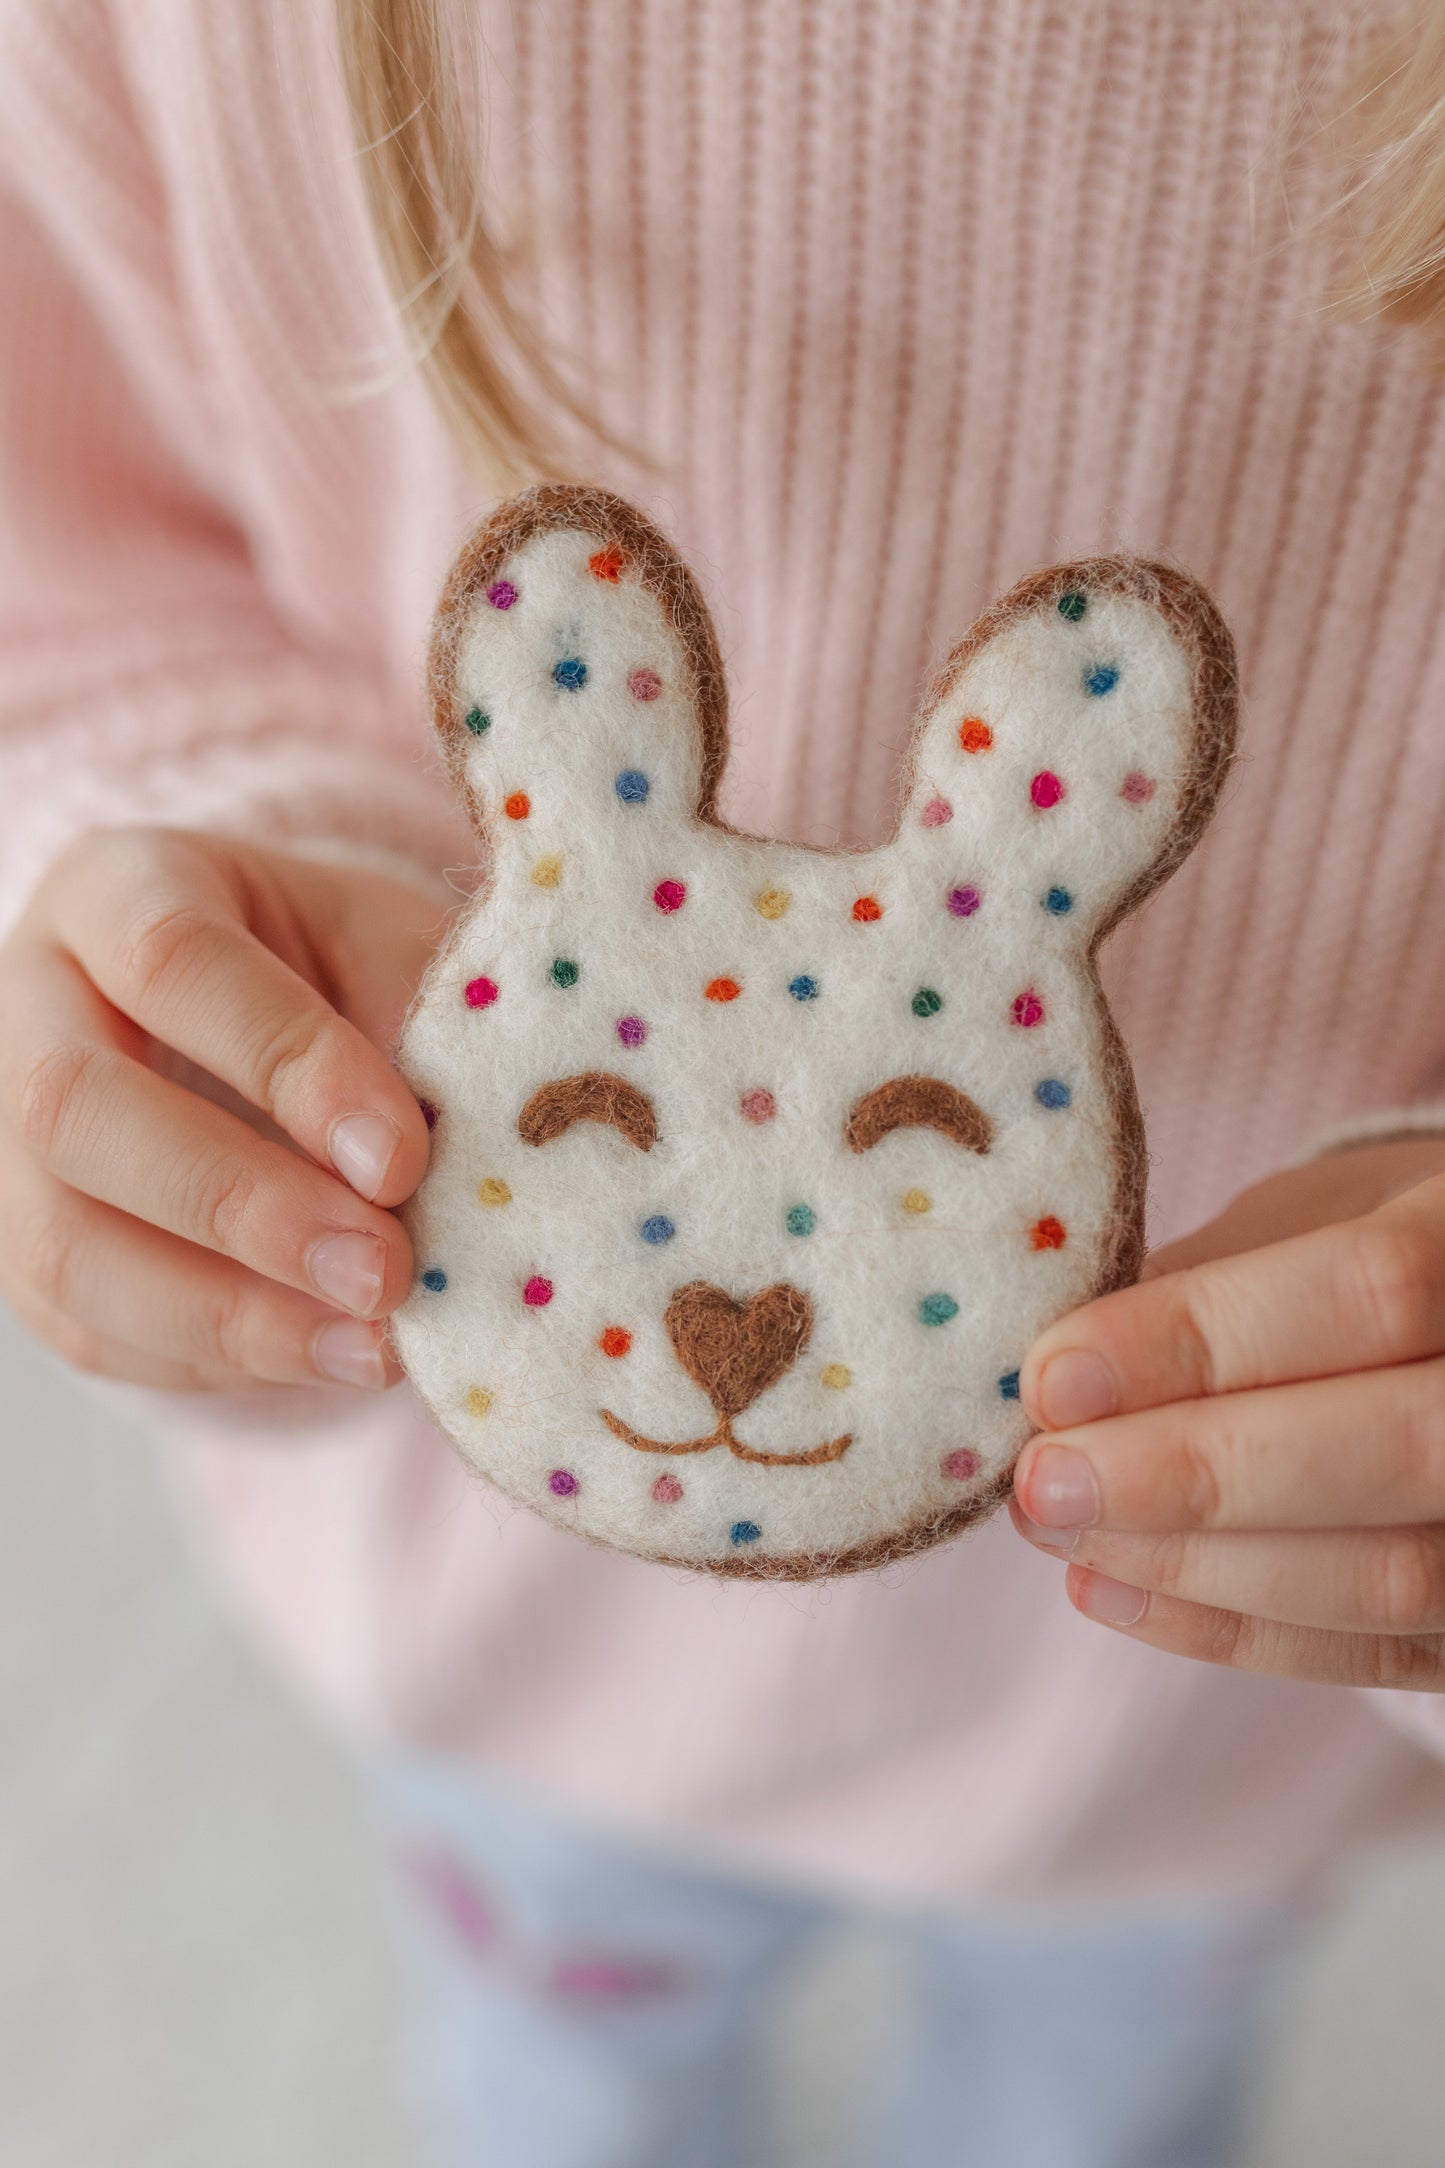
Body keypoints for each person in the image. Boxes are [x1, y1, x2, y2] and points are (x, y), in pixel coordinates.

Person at [3, 4, 1445, 2162]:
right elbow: (73, 584)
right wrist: (179, 993)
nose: (736, 1316)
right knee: (573, 2083)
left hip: (1209, 1747)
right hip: (502, 1662)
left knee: (1097, 2111)